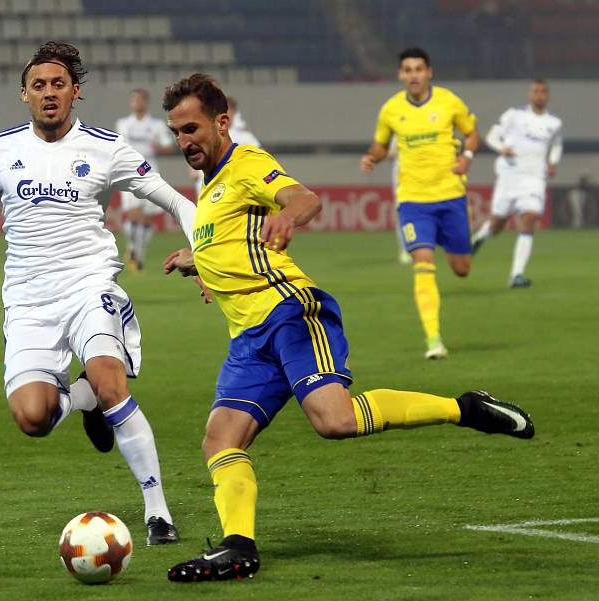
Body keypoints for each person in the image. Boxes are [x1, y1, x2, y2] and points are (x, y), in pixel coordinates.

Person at [160, 73, 534, 583]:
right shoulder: (209, 188)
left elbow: (304, 197)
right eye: (177, 133)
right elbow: (229, 242)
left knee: (333, 421)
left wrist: (290, 217)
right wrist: (196, 260)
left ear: (222, 122)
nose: (183, 142)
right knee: (220, 440)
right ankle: (238, 548)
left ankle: (463, 408)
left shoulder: (248, 164)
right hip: (248, 339)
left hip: (291, 314)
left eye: (191, 129)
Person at [0, 42, 196, 545]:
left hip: (89, 288)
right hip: (28, 302)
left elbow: (177, 201)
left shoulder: (105, 148)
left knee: (112, 384)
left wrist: (206, 259)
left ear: (74, 92)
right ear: (24, 94)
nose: (48, 93)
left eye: (58, 84)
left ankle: (158, 515)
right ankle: (81, 398)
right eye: (38, 85)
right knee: (33, 419)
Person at [360, 47, 480, 359]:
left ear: (429, 72)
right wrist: (372, 156)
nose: (413, 75)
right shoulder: (390, 109)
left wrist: (466, 158)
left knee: (462, 268)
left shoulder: (449, 102)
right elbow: (381, 144)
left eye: (418, 69)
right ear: (400, 75)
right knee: (423, 262)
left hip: (451, 196)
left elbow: (472, 134)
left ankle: (451, 240)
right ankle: (434, 341)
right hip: (413, 201)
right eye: (407, 70)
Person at [471, 80, 563, 288]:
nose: (539, 95)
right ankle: (478, 239)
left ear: (547, 96)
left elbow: (557, 144)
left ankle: (516, 275)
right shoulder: (514, 115)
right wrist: (501, 148)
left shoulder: (554, 123)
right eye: (535, 91)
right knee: (497, 225)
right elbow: (492, 136)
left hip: (535, 178)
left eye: (543, 91)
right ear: (530, 95)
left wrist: (554, 162)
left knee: (529, 218)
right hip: (509, 175)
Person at [114, 88, 174, 271]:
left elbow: (169, 147)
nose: (137, 103)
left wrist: (158, 148)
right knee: (133, 214)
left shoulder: (156, 125)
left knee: (147, 219)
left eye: (140, 100)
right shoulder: (123, 124)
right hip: (129, 172)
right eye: (134, 100)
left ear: (146, 102)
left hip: (150, 172)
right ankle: (132, 249)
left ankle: (139, 254)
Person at [190, 95, 261, 200]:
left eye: (228, 110)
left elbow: (259, 156)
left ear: (234, 112)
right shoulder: (207, 133)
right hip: (207, 183)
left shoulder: (245, 136)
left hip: (235, 184)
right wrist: (192, 168)